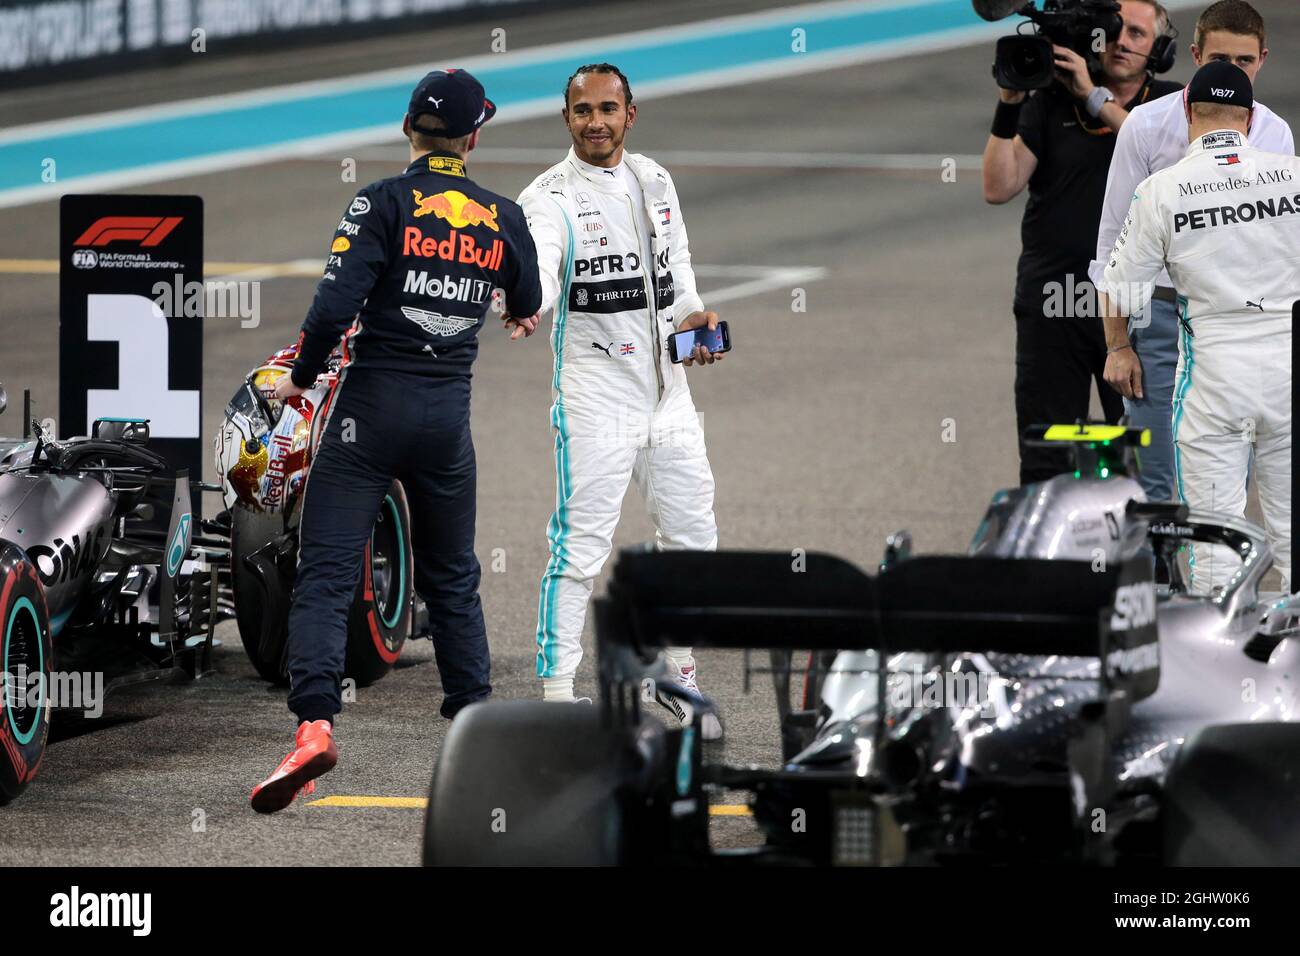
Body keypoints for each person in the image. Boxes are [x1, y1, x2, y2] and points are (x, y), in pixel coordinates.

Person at [249, 69, 542, 813]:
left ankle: (314, 724)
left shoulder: (379, 201)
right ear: (474, 137)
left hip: (367, 416)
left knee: (325, 575)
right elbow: (529, 297)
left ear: (408, 130)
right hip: (446, 426)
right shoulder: (504, 216)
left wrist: (302, 377)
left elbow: (333, 303)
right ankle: (479, 729)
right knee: (453, 577)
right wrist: (509, 309)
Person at [518, 63, 725, 739]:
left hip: (670, 393)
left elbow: (680, 270)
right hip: (596, 396)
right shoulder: (546, 197)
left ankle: (679, 676)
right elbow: (543, 269)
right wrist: (530, 303)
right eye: (583, 112)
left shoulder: (657, 179)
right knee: (579, 548)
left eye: (608, 110)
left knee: (694, 539)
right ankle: (556, 695)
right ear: (567, 118)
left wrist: (694, 316)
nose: (596, 122)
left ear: (630, 114)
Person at [1100, 61, 1296, 594]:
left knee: (1215, 541)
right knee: (1293, 536)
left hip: (1215, 382)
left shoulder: (1163, 190)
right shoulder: (1295, 176)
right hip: (1289, 371)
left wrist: (1118, 344)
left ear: (1187, 109)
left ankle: (1223, 667)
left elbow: (1118, 285)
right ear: (1250, 117)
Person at [1090, 0, 1292, 502]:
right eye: (1219, 58)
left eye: (1243, 62)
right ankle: (1160, 582)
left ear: (1262, 59)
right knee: (1158, 475)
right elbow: (1113, 242)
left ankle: (1217, 578)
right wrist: (1117, 346)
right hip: (1159, 318)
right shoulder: (1145, 125)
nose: (1230, 70)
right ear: (1197, 54)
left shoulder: (1275, 133)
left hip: (1239, 323)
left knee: (1226, 482)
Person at [983, 0, 1181, 486]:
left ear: (1161, 48)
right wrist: (1010, 104)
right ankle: (1049, 562)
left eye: (1136, 33)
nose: (1122, 42)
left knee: (1143, 454)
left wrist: (1093, 96)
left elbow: (1157, 155)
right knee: (1047, 450)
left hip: (1138, 307)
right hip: (1053, 300)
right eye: (1113, 31)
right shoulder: (1051, 100)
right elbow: (998, 187)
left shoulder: (1170, 106)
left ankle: (1140, 558)